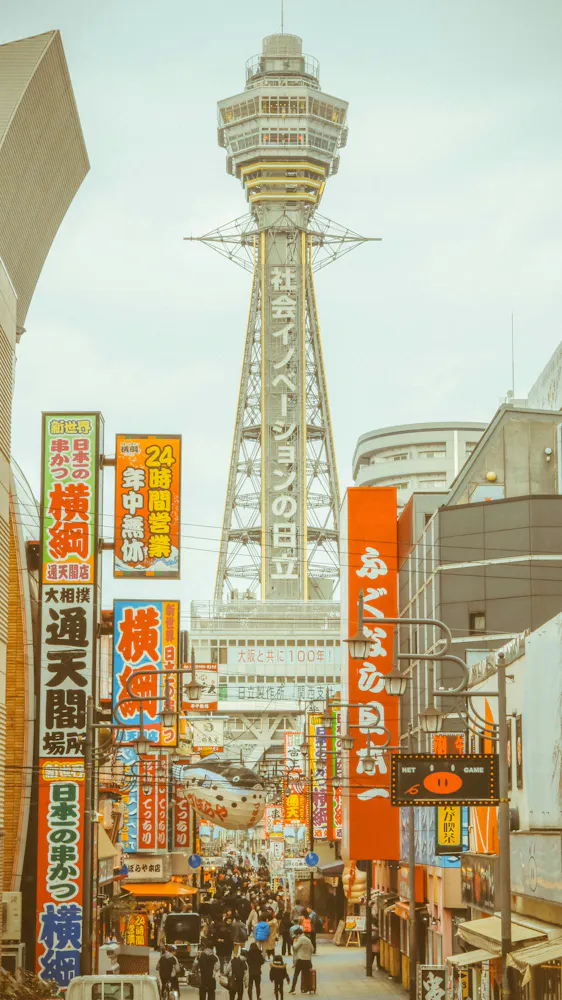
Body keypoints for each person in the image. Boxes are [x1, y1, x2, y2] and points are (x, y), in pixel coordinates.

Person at [288, 928, 314, 995]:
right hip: (307, 960)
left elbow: (295, 947)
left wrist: (294, 941)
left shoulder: (300, 939)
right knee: (306, 975)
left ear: (298, 934)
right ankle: (306, 989)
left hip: (300, 959)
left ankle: (293, 989)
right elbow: (312, 949)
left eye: (296, 935)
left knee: (296, 974)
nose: (296, 937)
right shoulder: (308, 940)